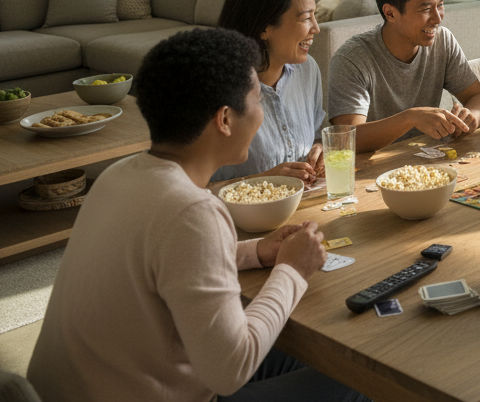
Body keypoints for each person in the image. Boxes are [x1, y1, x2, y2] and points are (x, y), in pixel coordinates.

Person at [27, 28, 367, 402]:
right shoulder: (193, 211)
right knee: (359, 377)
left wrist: (255, 252)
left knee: (321, 358)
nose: (260, 114)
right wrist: (292, 270)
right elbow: (230, 371)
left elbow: (160, 259)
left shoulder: (118, 176)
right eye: (257, 101)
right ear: (224, 119)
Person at [328, 0, 480, 153]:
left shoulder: (442, 41)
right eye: (426, 9)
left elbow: (479, 98)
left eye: (440, 5)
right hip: (371, 171)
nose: (438, 18)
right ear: (390, 13)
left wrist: (471, 116)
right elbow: (347, 139)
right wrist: (410, 118)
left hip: (424, 161)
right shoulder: (352, 59)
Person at [212, 0, 326, 185]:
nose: (316, 28)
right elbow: (192, 189)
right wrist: (262, 180)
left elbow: (318, 133)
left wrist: (318, 149)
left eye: (315, 15)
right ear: (264, 28)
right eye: (305, 18)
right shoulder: (218, 88)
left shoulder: (308, 70)